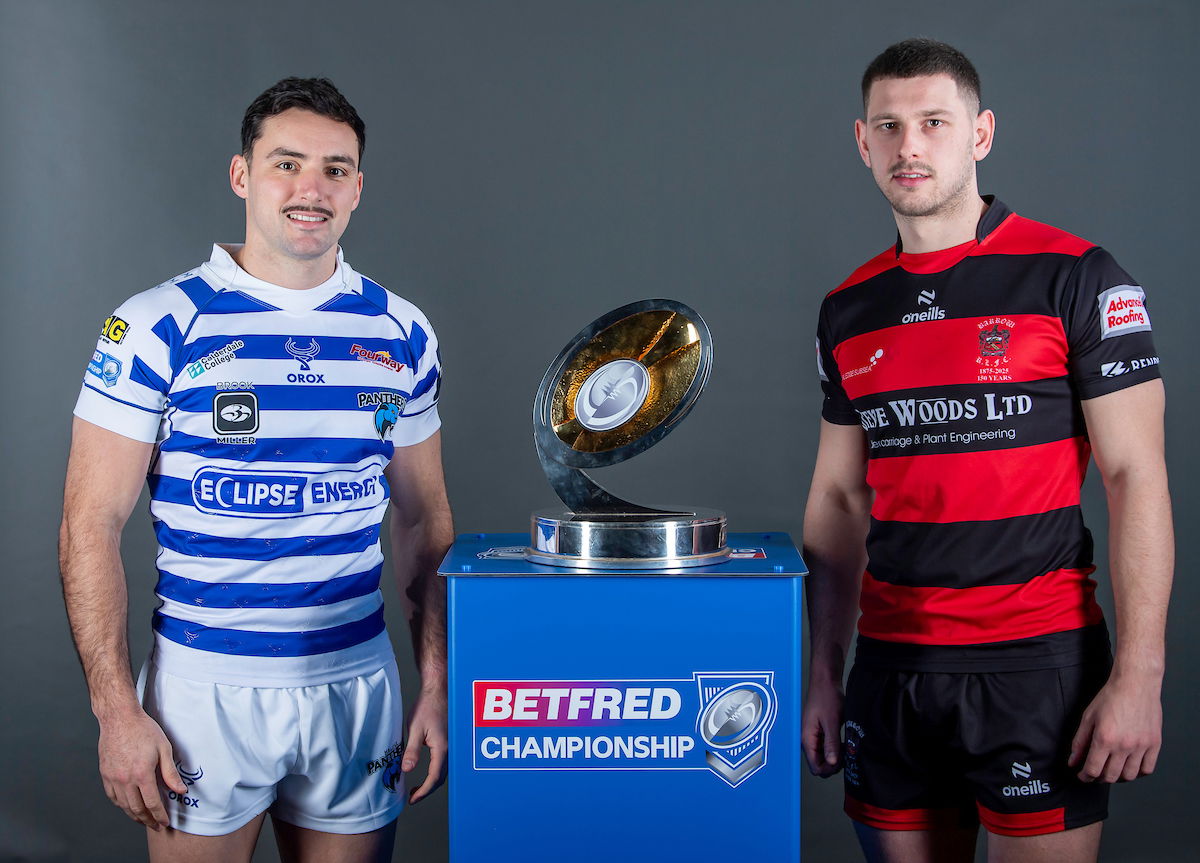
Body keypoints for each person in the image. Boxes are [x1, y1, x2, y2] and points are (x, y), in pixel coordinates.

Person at [59, 77, 452, 863]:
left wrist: (438, 684)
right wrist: (113, 709)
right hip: (204, 693)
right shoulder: (157, 324)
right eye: (287, 163)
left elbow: (423, 519)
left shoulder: (401, 329)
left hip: (356, 681)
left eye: (336, 169)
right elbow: (89, 522)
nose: (311, 189)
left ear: (358, 188)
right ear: (242, 175)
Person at [801, 39, 1173, 863]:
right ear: (863, 144)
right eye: (889, 127)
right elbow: (837, 499)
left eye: (934, 121)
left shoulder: (1076, 276)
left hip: (1036, 667)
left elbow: (1134, 473)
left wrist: (1140, 675)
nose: (910, 146)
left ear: (981, 133)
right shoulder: (849, 308)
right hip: (890, 668)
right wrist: (822, 669)